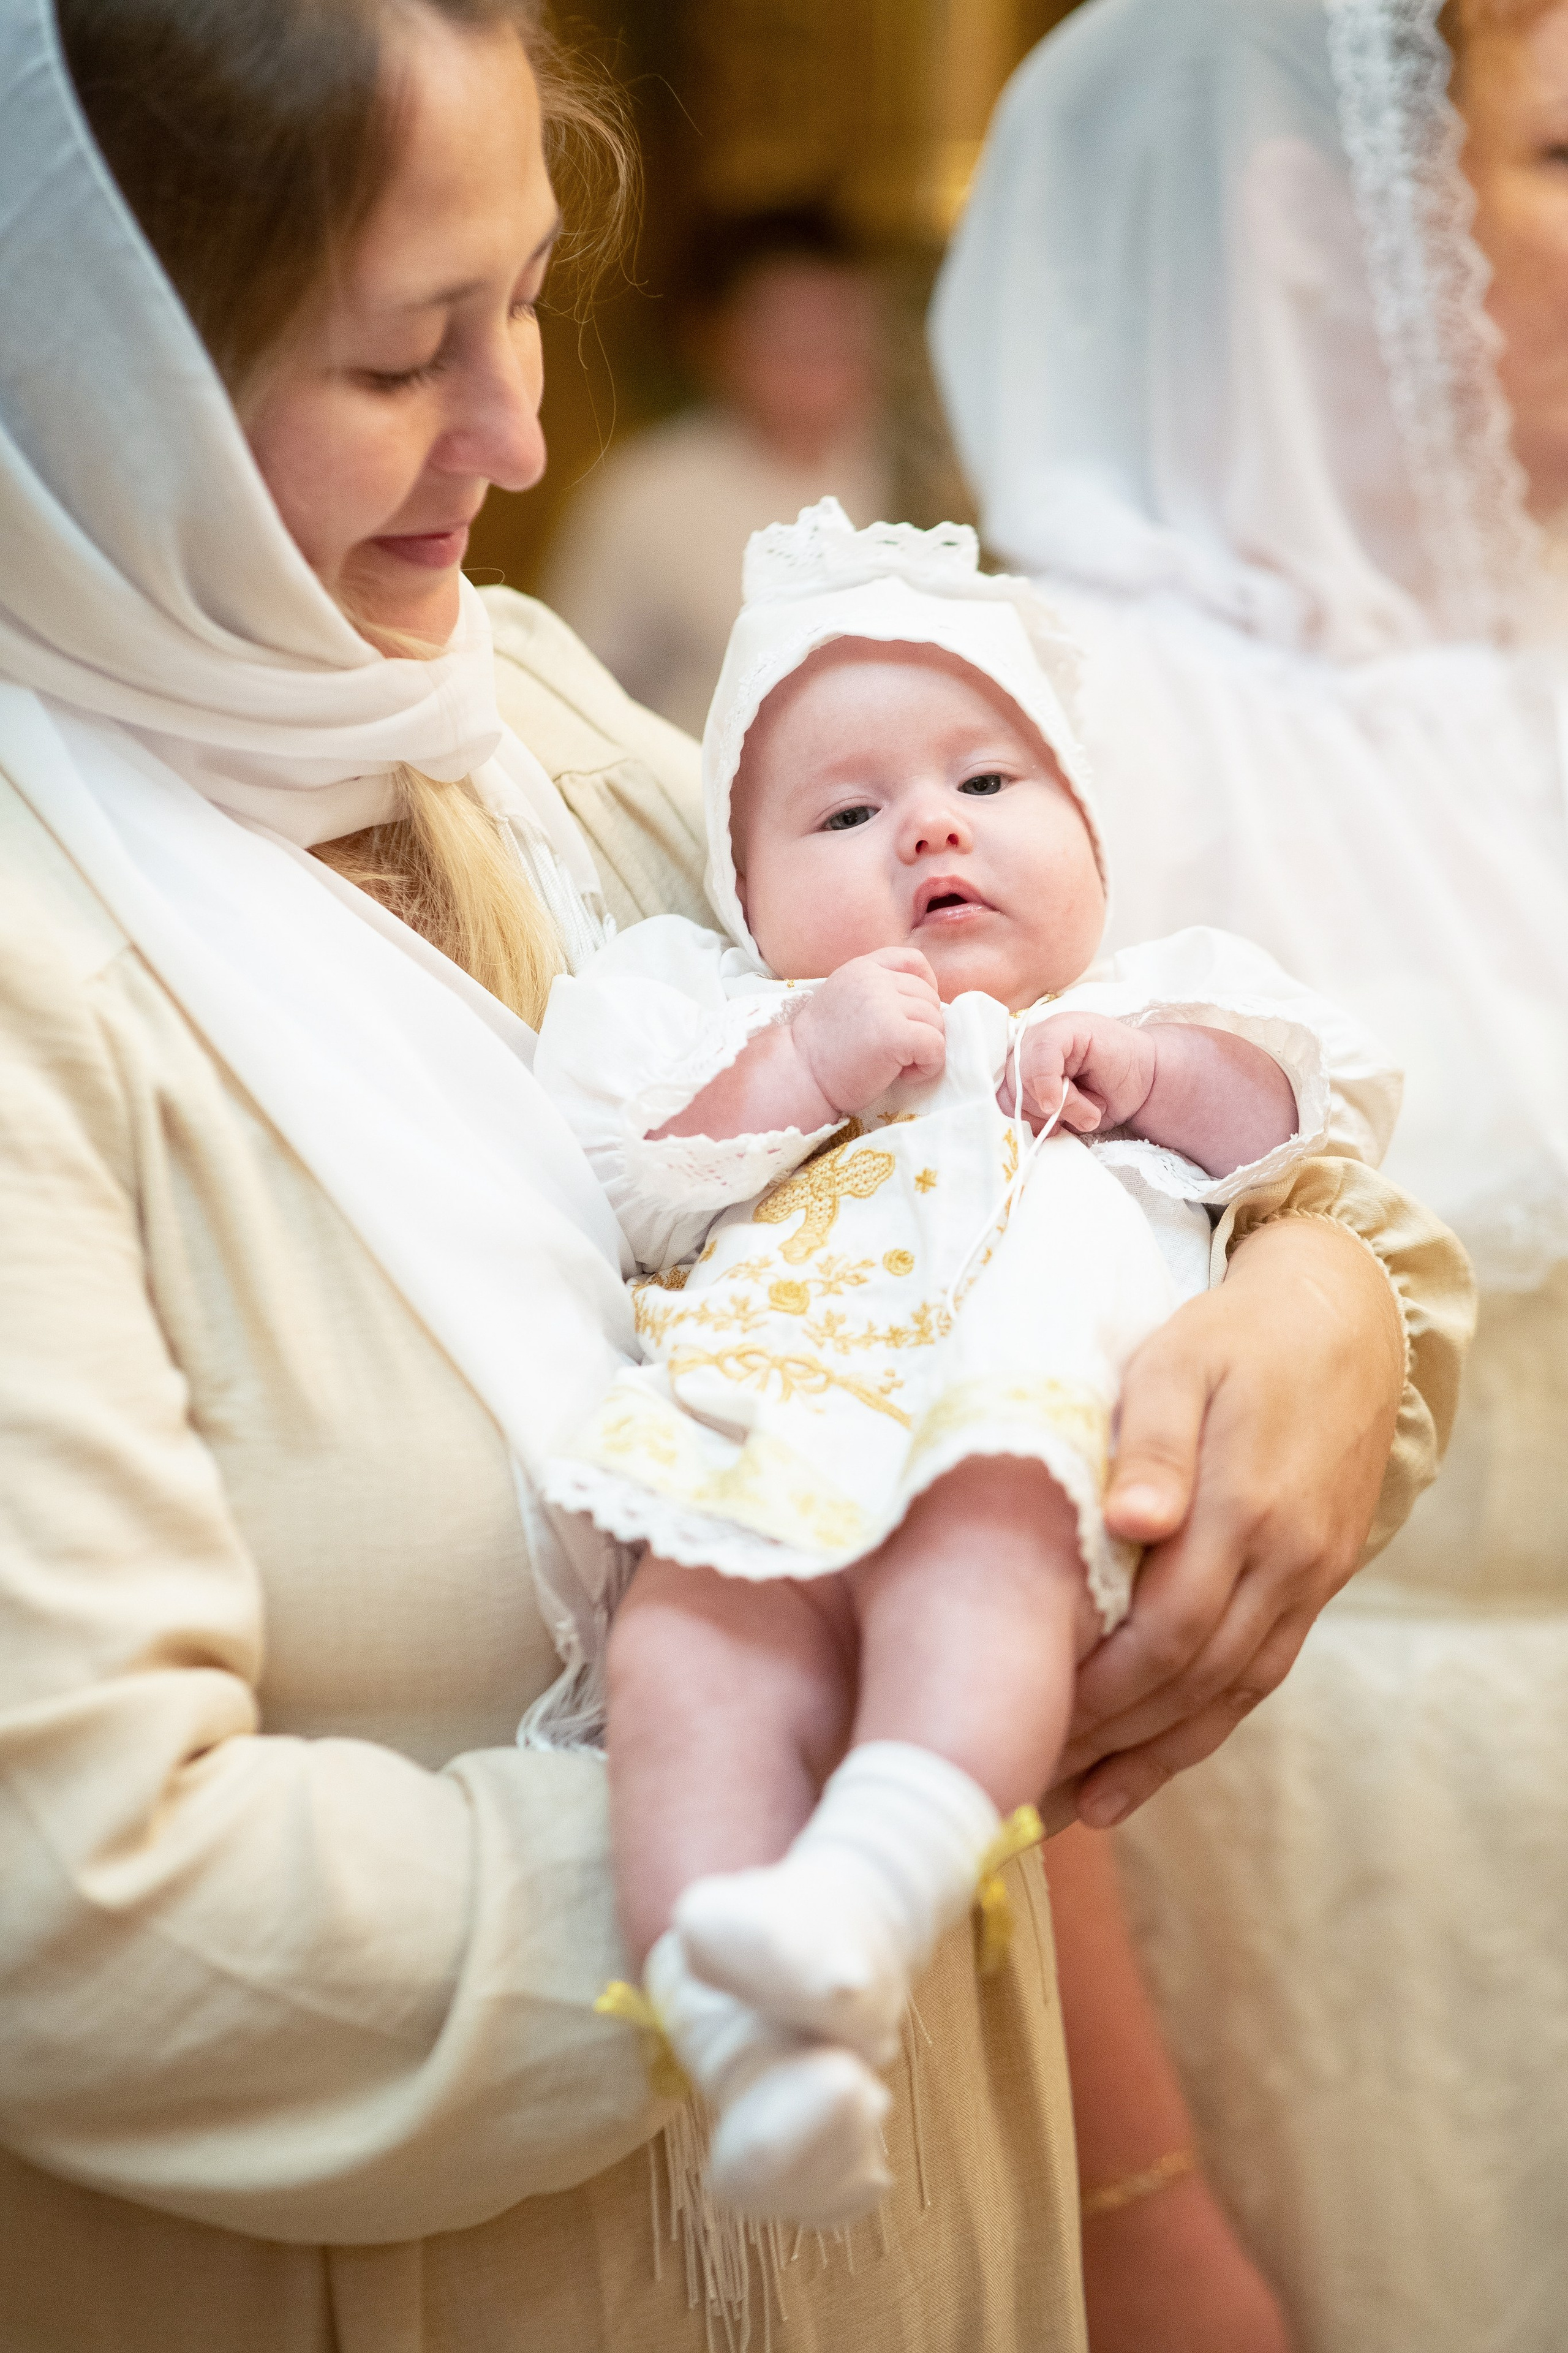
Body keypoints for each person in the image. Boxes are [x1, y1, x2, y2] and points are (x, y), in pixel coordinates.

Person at [0, 1, 1466, 2349]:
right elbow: (90, 1903)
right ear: (101, 360)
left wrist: (1328, 1307)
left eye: (525, 300)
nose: (524, 432)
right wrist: (854, 1796)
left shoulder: (520, 714)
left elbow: (1005, 1099)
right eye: (399, 357)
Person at [532, 495, 1399, 2232]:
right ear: (743, 889)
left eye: (990, 786)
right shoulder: (711, 1005)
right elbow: (618, 1169)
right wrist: (797, 1063)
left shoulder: (1165, 996)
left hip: (1003, 1439)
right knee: (683, 1659)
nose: (929, 825)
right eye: (847, 813)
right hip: (752, 1439)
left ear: (1086, 824)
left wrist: (1151, 1071)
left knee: (978, 1582)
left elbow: (1312, 1129)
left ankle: (868, 1891)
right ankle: (740, 2024)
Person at [931, 1, 1568, 2348]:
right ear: (1327, 227)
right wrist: (1138, 2205)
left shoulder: (1535, 674)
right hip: (1291, 1889)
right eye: (1558, 150)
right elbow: (963, 1473)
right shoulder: (1061, 726)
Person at [543, 207, 890, 735]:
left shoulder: (891, 466)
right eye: (784, 342)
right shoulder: (646, 492)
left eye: (835, 336)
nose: (815, 368)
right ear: (715, 340)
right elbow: (574, 694)